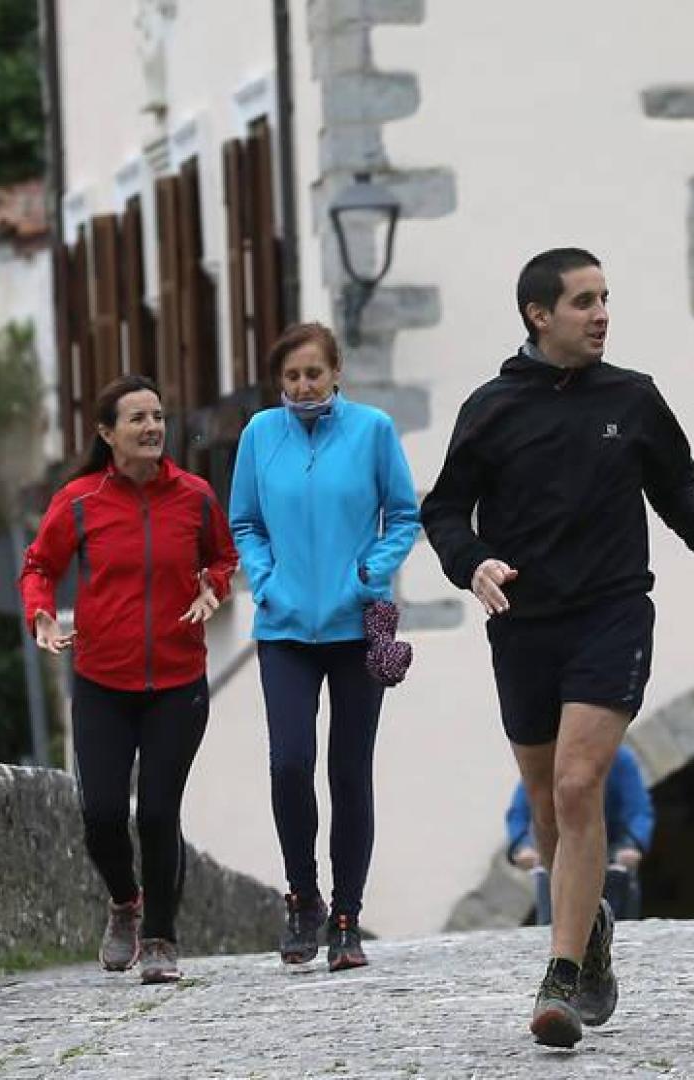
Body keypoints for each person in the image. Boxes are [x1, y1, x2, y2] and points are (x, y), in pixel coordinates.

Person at [422, 247, 694, 1048]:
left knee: (581, 786)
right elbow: (442, 512)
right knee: (546, 801)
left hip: (612, 615)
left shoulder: (634, 399)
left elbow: (679, 495)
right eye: (583, 301)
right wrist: (472, 563)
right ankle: (590, 929)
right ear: (539, 315)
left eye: (605, 297)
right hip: (523, 623)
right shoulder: (492, 408)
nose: (601, 313)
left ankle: (561, 975)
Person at [19, 374, 238, 985]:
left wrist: (214, 586)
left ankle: (163, 939)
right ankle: (125, 902)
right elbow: (39, 564)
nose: (151, 428)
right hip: (100, 682)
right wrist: (39, 609)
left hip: (177, 681)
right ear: (106, 432)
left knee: (159, 812)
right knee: (102, 814)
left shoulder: (194, 496)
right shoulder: (80, 500)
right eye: (137, 418)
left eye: (158, 417)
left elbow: (224, 556)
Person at [229, 321, 420, 972]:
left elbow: (403, 513)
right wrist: (264, 579)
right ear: (278, 382)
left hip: (353, 625)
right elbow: (245, 522)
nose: (304, 385)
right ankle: (302, 898)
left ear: (337, 372)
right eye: (291, 376)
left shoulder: (372, 431)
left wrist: (374, 571)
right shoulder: (259, 436)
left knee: (348, 771)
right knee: (289, 762)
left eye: (314, 372)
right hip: (283, 627)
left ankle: (346, 918)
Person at [508, 744, 655, 923]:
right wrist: (522, 846)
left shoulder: (619, 759)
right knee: (552, 913)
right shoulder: (545, 759)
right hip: (557, 855)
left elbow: (639, 810)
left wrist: (633, 843)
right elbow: (519, 812)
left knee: (619, 915)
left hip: (610, 854)